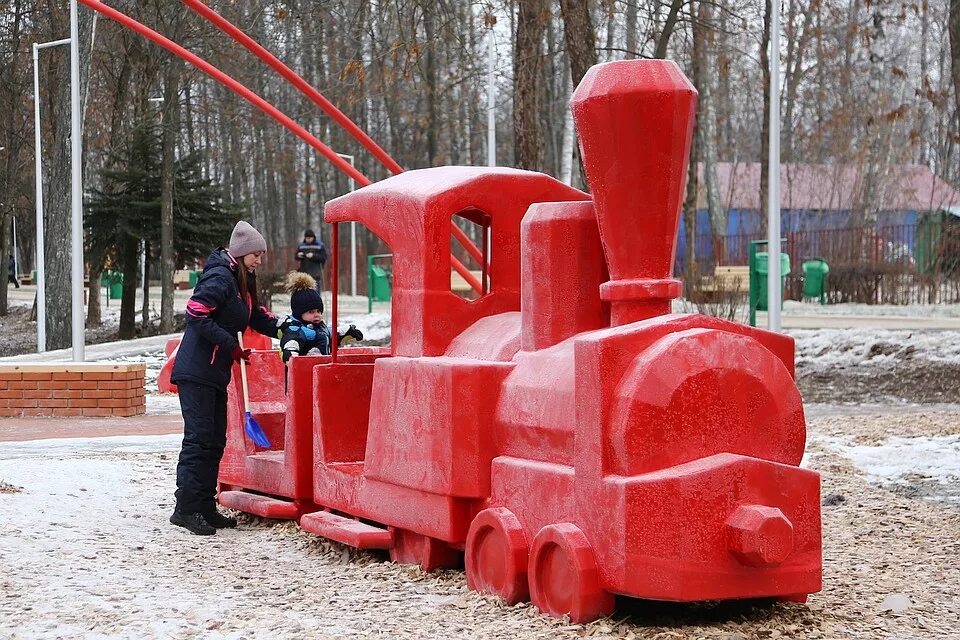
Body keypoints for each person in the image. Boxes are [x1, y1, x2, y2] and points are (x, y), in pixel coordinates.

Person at [169, 221, 280, 536]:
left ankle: (205, 506)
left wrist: (287, 327)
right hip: (197, 370)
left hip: (213, 372)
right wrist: (230, 345)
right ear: (242, 253)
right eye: (256, 254)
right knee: (199, 440)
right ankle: (186, 508)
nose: (259, 260)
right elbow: (195, 312)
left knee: (215, 440)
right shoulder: (220, 277)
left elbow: (254, 315)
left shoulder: (241, 281)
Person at [278, 271, 362, 361]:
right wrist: (290, 354)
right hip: (303, 372)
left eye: (318, 311)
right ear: (299, 314)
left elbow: (331, 332)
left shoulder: (320, 328)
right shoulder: (296, 331)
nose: (317, 315)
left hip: (322, 371)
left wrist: (348, 330)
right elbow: (291, 343)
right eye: (311, 312)